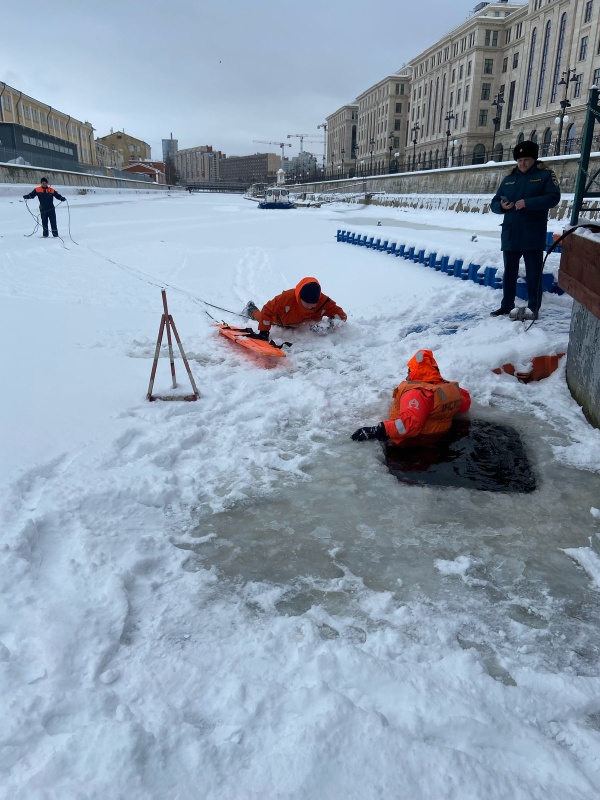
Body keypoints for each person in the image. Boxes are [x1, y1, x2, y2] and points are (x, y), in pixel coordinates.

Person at [489, 140, 561, 321]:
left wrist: (528, 203)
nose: (522, 164)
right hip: (511, 233)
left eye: (526, 160)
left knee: (533, 273)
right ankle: (506, 306)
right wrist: (502, 207)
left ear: (534, 159)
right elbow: (494, 203)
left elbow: (553, 198)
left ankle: (533, 307)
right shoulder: (509, 178)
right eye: (519, 160)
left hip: (532, 233)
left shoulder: (545, 175)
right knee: (509, 272)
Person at [351, 349, 471, 445]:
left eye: (409, 371)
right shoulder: (447, 389)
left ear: (414, 372)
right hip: (442, 438)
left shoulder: (417, 393)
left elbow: (410, 425)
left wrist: (378, 430)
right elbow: (465, 404)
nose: (407, 376)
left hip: (415, 443)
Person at [243, 277, 347, 340]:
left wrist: (329, 326)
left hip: (302, 324)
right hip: (281, 321)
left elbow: (341, 315)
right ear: (299, 298)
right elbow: (268, 310)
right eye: (306, 303)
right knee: (261, 317)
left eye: (313, 304)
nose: (310, 306)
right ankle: (250, 309)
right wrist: (264, 332)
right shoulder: (286, 298)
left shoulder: (324, 301)